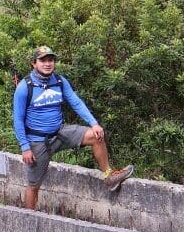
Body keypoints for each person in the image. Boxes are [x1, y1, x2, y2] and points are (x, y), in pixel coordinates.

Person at [13, 45, 134, 210]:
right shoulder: (24, 87)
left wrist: (94, 123)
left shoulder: (60, 81)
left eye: (51, 60)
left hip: (59, 133)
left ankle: (109, 176)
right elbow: (18, 119)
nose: (48, 64)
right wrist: (25, 147)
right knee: (34, 185)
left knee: (96, 136)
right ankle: (28, 218)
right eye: (43, 60)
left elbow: (76, 102)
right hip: (37, 141)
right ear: (34, 63)